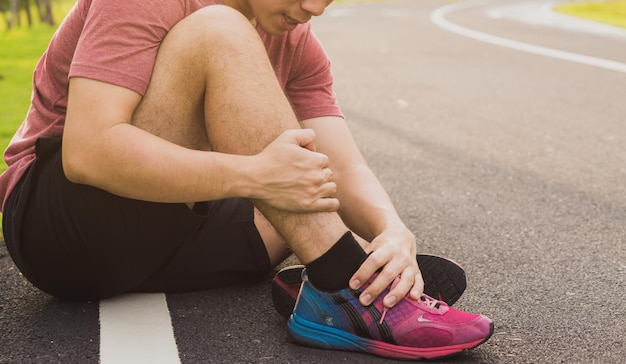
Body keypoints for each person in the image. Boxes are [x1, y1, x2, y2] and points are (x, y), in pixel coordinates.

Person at [0, 0, 493, 360]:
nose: (315, 7)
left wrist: (393, 231)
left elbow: (337, 168)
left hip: (162, 233)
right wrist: (256, 175)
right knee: (218, 31)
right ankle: (343, 283)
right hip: (60, 229)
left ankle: (346, 275)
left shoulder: (298, 44)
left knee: (299, 203)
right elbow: (89, 155)